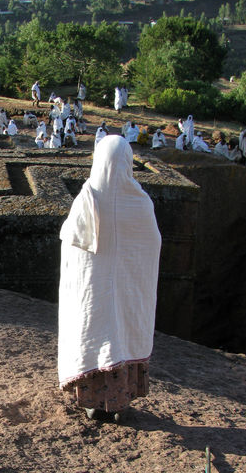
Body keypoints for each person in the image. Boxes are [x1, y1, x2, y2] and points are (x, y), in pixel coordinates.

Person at [58, 135, 161, 422]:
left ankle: (95, 403)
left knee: (98, 334)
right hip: (129, 291)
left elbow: (69, 241)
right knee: (123, 334)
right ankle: (120, 403)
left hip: (94, 292)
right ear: (127, 161)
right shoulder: (140, 202)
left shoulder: (87, 198)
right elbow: (151, 244)